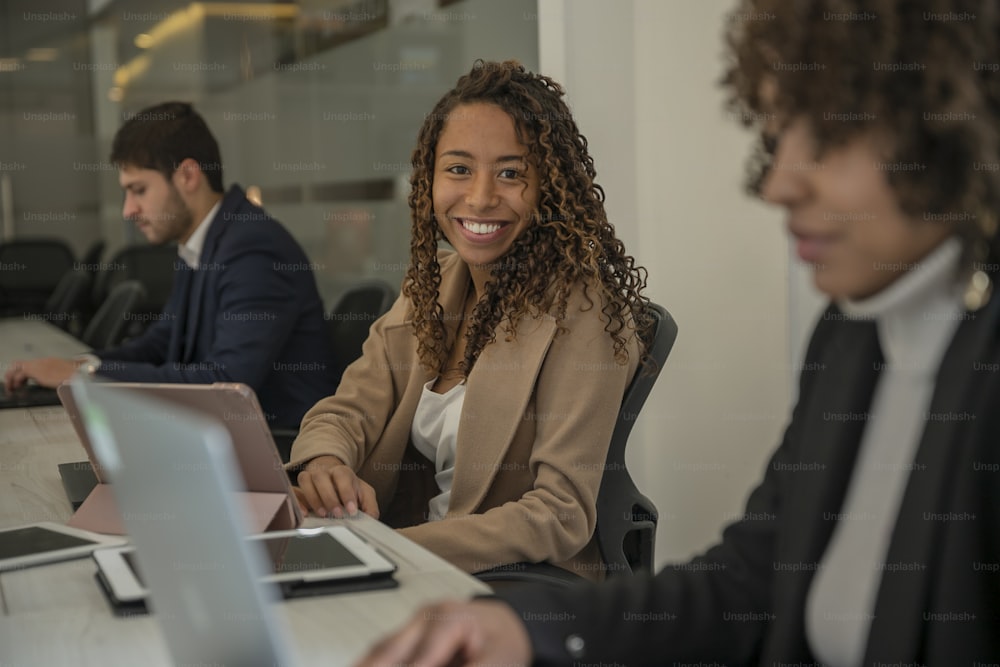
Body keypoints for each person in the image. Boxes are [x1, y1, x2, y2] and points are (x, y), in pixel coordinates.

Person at [355, 0, 1000, 665]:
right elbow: (745, 584)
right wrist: (527, 626)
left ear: (950, 129)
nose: (776, 184)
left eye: (828, 141)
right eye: (779, 141)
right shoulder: (854, 335)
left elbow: (560, 513)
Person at [289, 60, 652, 578]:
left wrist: (396, 550)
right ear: (429, 181)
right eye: (459, 169)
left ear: (548, 186)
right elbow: (345, 411)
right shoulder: (433, 285)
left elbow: (560, 513)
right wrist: (324, 463)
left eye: (511, 173)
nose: (480, 197)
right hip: (409, 561)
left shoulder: (583, 314)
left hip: (513, 582)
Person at [3, 101, 337, 428]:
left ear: (188, 176)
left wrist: (83, 376)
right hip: (222, 435)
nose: (128, 210)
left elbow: (226, 384)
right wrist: (84, 364)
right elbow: (162, 343)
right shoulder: (205, 240)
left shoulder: (254, 249)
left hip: (279, 452)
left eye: (139, 190)